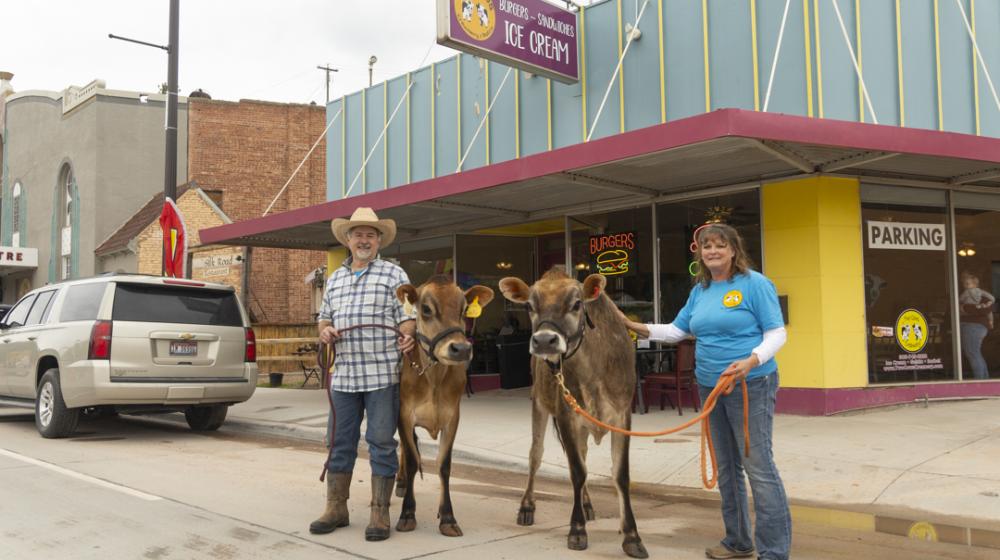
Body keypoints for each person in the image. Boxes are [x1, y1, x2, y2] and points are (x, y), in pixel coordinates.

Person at [617, 223, 790, 560]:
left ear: (734, 250)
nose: (712, 251)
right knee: (726, 466)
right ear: (700, 253)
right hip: (710, 387)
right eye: (706, 246)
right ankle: (739, 542)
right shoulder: (700, 291)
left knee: (758, 466)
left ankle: (774, 552)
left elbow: (777, 333)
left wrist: (752, 360)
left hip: (750, 385)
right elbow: (675, 331)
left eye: (720, 245)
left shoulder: (755, 285)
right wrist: (631, 325)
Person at [309, 207, 415, 542]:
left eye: (370, 234)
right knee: (339, 442)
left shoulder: (394, 274)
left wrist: (408, 332)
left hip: (382, 373)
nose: (364, 240)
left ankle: (379, 513)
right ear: (348, 240)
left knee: (382, 443)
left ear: (379, 240)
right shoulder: (336, 278)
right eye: (358, 234)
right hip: (343, 376)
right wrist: (325, 332)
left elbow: (407, 315)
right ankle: (336, 507)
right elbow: (324, 318)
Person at [959, 271, 995, 380]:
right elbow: (989, 310)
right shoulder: (984, 296)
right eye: (964, 283)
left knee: (972, 353)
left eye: (967, 283)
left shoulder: (966, 294)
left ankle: (980, 381)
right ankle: (984, 380)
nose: (966, 285)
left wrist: (964, 308)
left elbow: (964, 308)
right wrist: (990, 322)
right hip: (980, 327)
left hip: (973, 326)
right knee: (975, 353)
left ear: (975, 284)